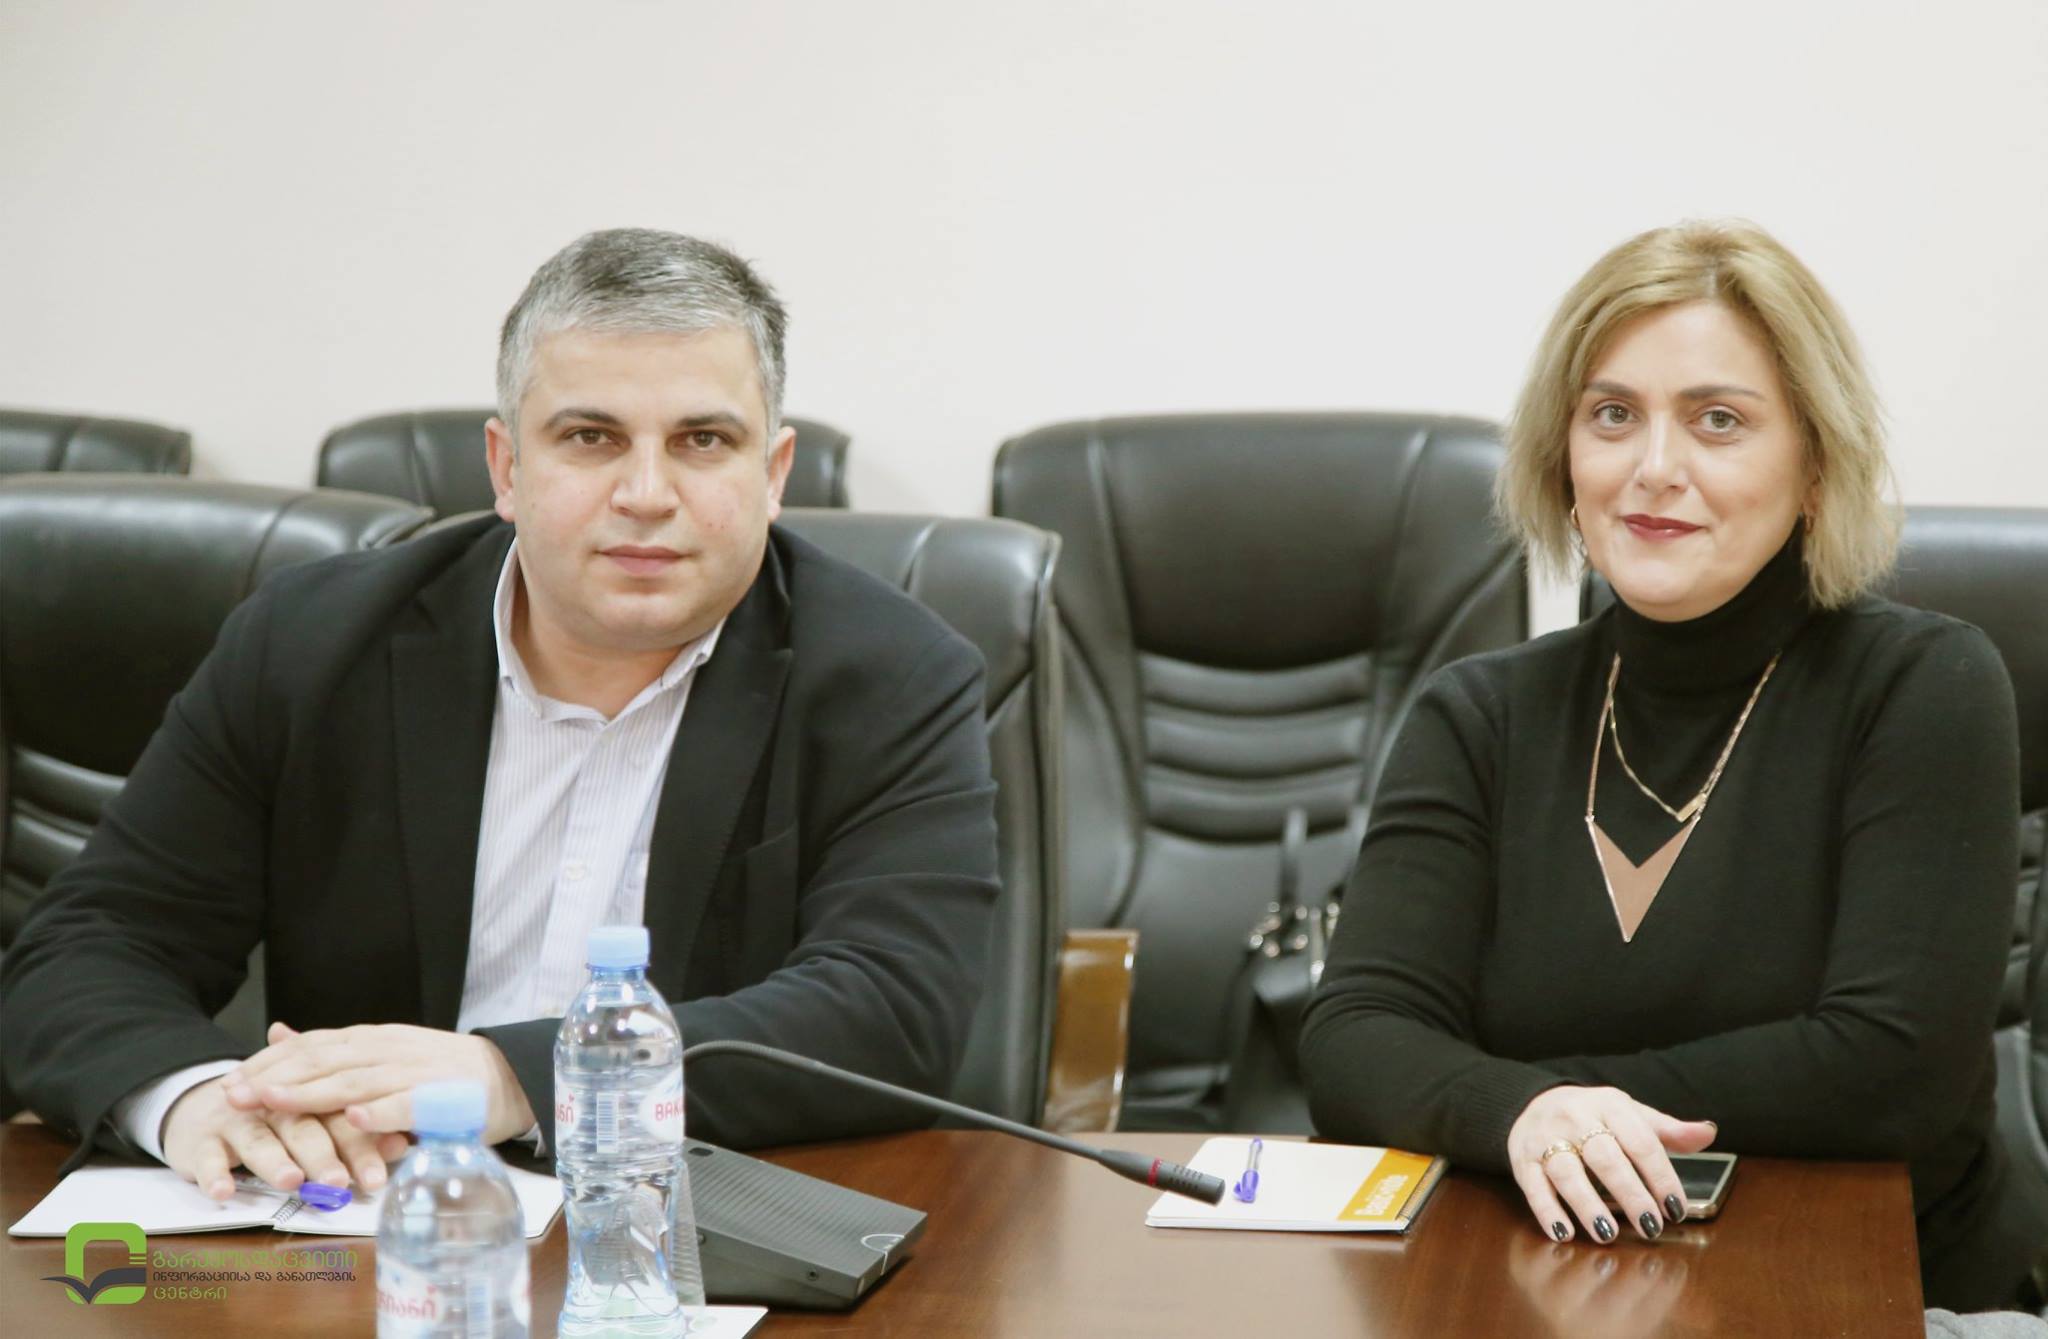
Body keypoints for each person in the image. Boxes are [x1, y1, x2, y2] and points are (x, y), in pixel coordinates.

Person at [0, 228, 999, 1207]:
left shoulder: (890, 675)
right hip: (363, 1225)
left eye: (703, 441)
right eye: (590, 437)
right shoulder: (311, 643)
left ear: (771, 475)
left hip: (699, 1231)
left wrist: (518, 1076)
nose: (646, 494)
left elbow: (892, 1008)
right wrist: (194, 1100)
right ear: (506, 467)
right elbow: (91, 944)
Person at [1299, 219, 2038, 1311]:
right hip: (1537, 1291)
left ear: (1814, 465)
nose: (1653, 469)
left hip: (1867, 1293)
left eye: (1717, 420)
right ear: (1562, 456)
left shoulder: (1922, 685)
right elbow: (1353, 1038)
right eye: (1611, 415)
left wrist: (1532, 1104)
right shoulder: (1479, 714)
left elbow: (1891, 1067)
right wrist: (1516, 1112)